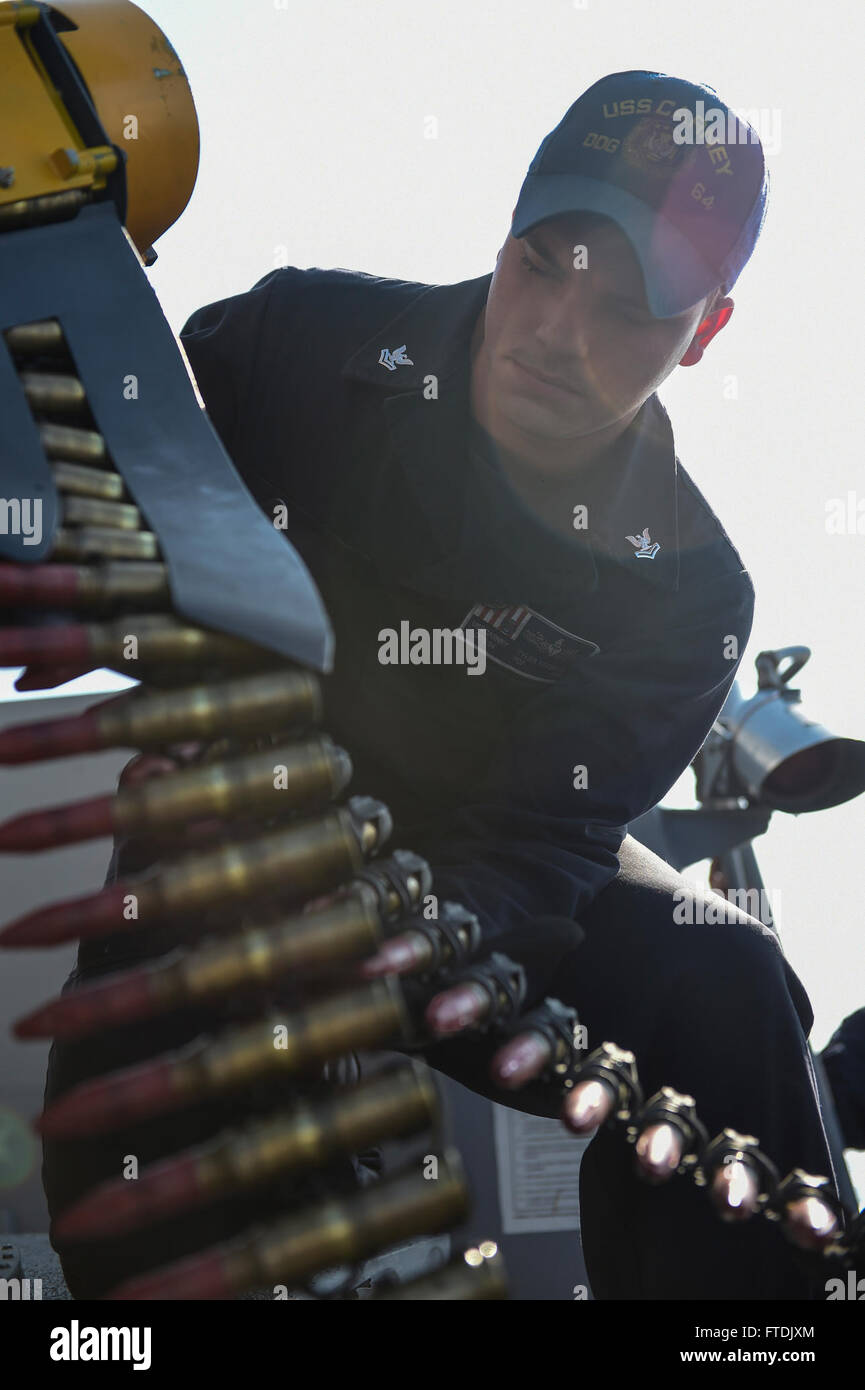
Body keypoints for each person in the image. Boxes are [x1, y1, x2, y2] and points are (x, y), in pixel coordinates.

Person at [43, 69, 840, 1300]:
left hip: (480, 869)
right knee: (128, 1188)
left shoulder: (687, 590)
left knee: (725, 983)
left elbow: (539, 841)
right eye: (548, 259)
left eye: (629, 305)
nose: (558, 332)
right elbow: (102, 469)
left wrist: (386, 952)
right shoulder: (290, 345)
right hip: (235, 822)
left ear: (707, 331)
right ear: (509, 226)